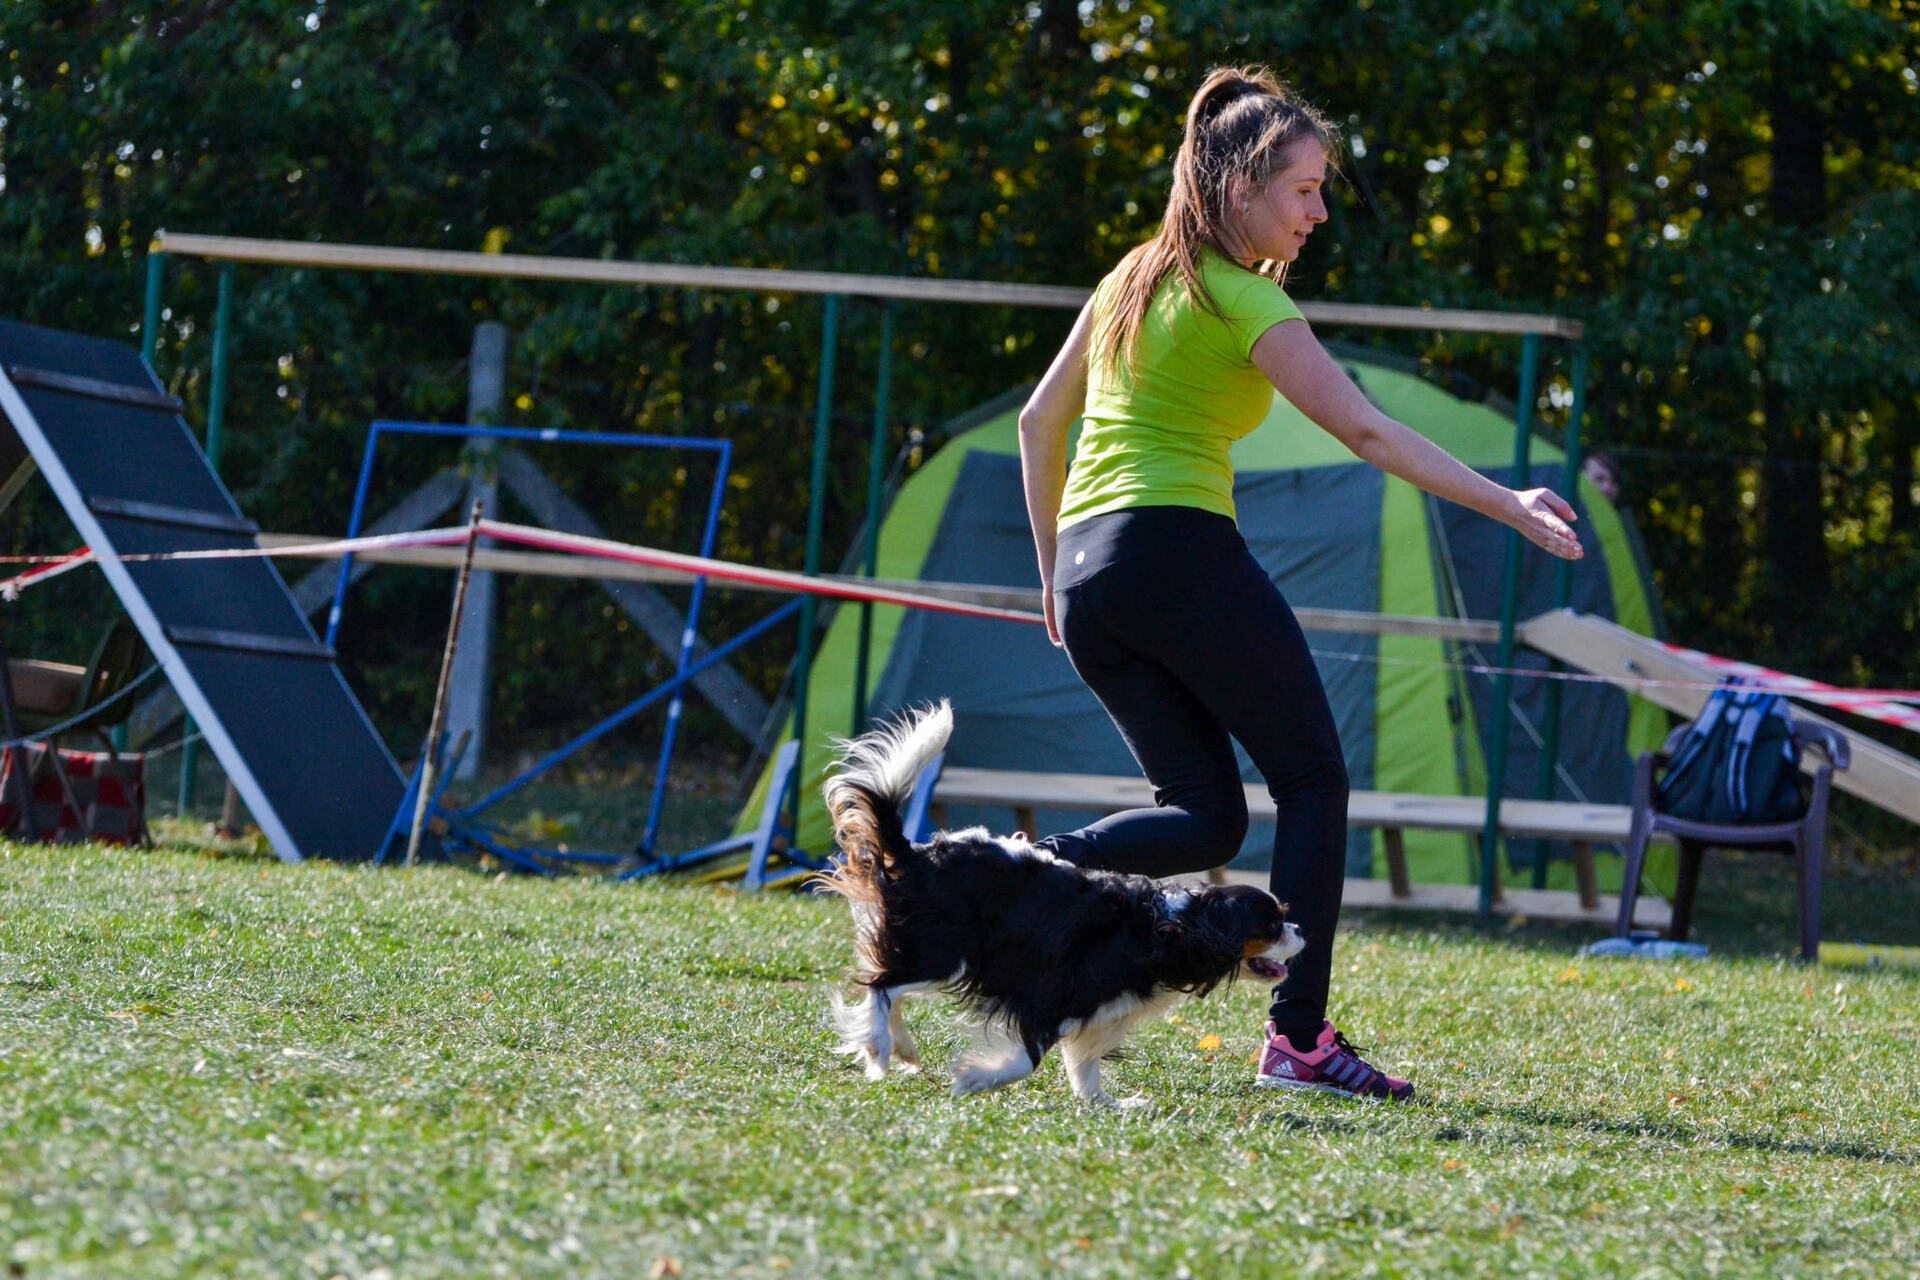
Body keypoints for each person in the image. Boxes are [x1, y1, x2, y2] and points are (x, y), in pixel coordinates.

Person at [1017, 66, 1583, 1101]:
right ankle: (1300, 1038)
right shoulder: (1239, 295)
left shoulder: (1129, 277)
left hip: (1097, 577)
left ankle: (1029, 871)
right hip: (1173, 551)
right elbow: (1364, 427)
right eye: (1304, 189)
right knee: (1315, 782)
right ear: (1240, 186)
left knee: (1206, 816)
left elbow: (1036, 423)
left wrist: (1055, 572)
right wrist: (1508, 503)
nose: (1321, 211)